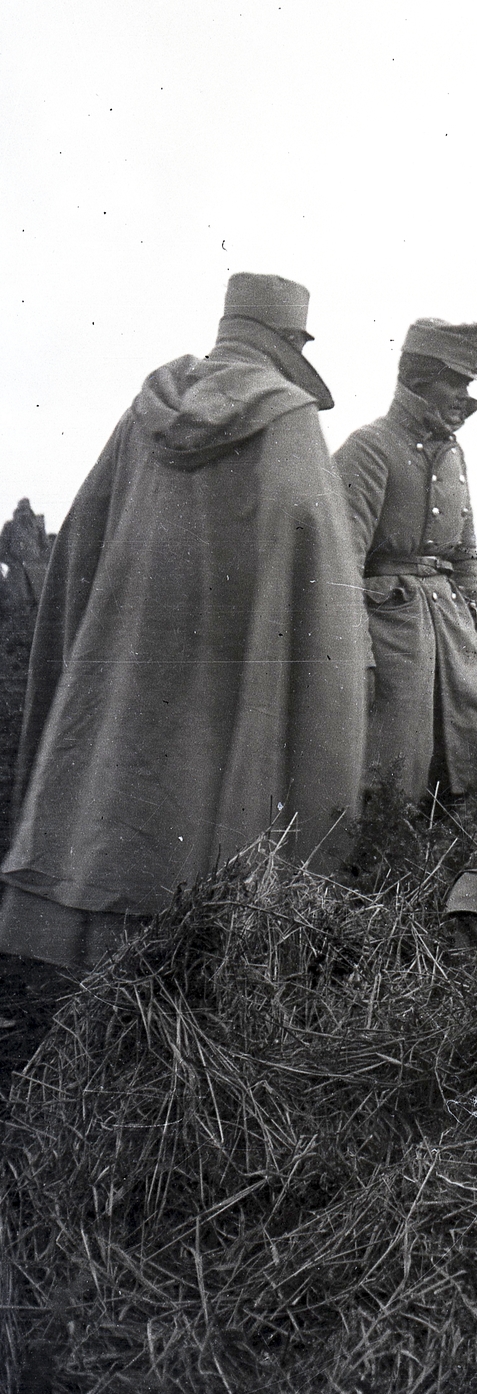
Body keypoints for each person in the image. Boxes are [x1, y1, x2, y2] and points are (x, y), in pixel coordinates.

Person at [0, 273, 367, 970]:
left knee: (128, 792)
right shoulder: (289, 419)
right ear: (288, 343)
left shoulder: (145, 413)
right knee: (207, 805)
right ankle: (194, 977)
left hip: (132, 651)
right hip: (232, 656)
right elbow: (319, 565)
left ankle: (101, 969)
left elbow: (81, 535)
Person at [335, 320, 477, 807]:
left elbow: (465, 559)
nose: (464, 396)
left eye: (468, 384)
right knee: (389, 772)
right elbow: (341, 565)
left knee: (466, 766)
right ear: (419, 378)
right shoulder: (368, 448)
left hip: (452, 636)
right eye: (456, 381)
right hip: (390, 640)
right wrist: (357, 657)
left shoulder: (454, 454)